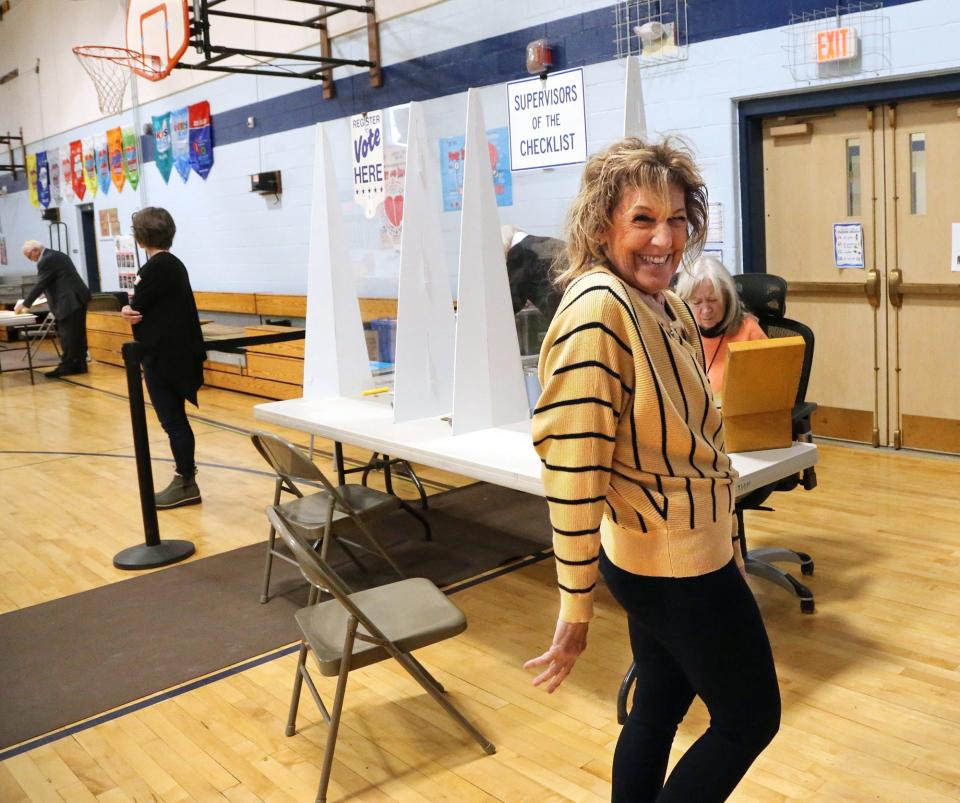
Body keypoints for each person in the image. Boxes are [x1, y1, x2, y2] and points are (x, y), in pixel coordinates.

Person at [524, 137, 780, 802]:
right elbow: (574, 470)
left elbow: (698, 436)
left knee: (660, 702)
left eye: (674, 219)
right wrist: (574, 610)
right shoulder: (599, 309)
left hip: (685, 548)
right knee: (750, 718)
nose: (664, 239)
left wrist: (730, 544)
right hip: (673, 565)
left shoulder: (662, 303)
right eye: (642, 219)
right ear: (602, 225)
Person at [120, 208, 206, 510]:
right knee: (175, 422)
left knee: (173, 422)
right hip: (170, 355)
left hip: (165, 358)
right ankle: (185, 479)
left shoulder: (157, 267)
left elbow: (138, 307)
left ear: (140, 236)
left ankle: (186, 482)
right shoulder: (169, 265)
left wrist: (127, 312)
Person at [675, 254, 767, 396]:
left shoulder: (749, 330)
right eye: (697, 302)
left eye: (712, 300)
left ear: (727, 298)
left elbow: (768, 389)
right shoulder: (677, 335)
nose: (706, 310)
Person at [16, 240, 91, 378]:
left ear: (35, 250)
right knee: (77, 335)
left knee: (68, 336)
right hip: (77, 298)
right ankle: (79, 365)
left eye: (29, 256)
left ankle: (67, 367)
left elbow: (41, 283)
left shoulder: (47, 259)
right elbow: (57, 280)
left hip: (69, 301)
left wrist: (26, 303)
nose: (31, 260)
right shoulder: (56, 255)